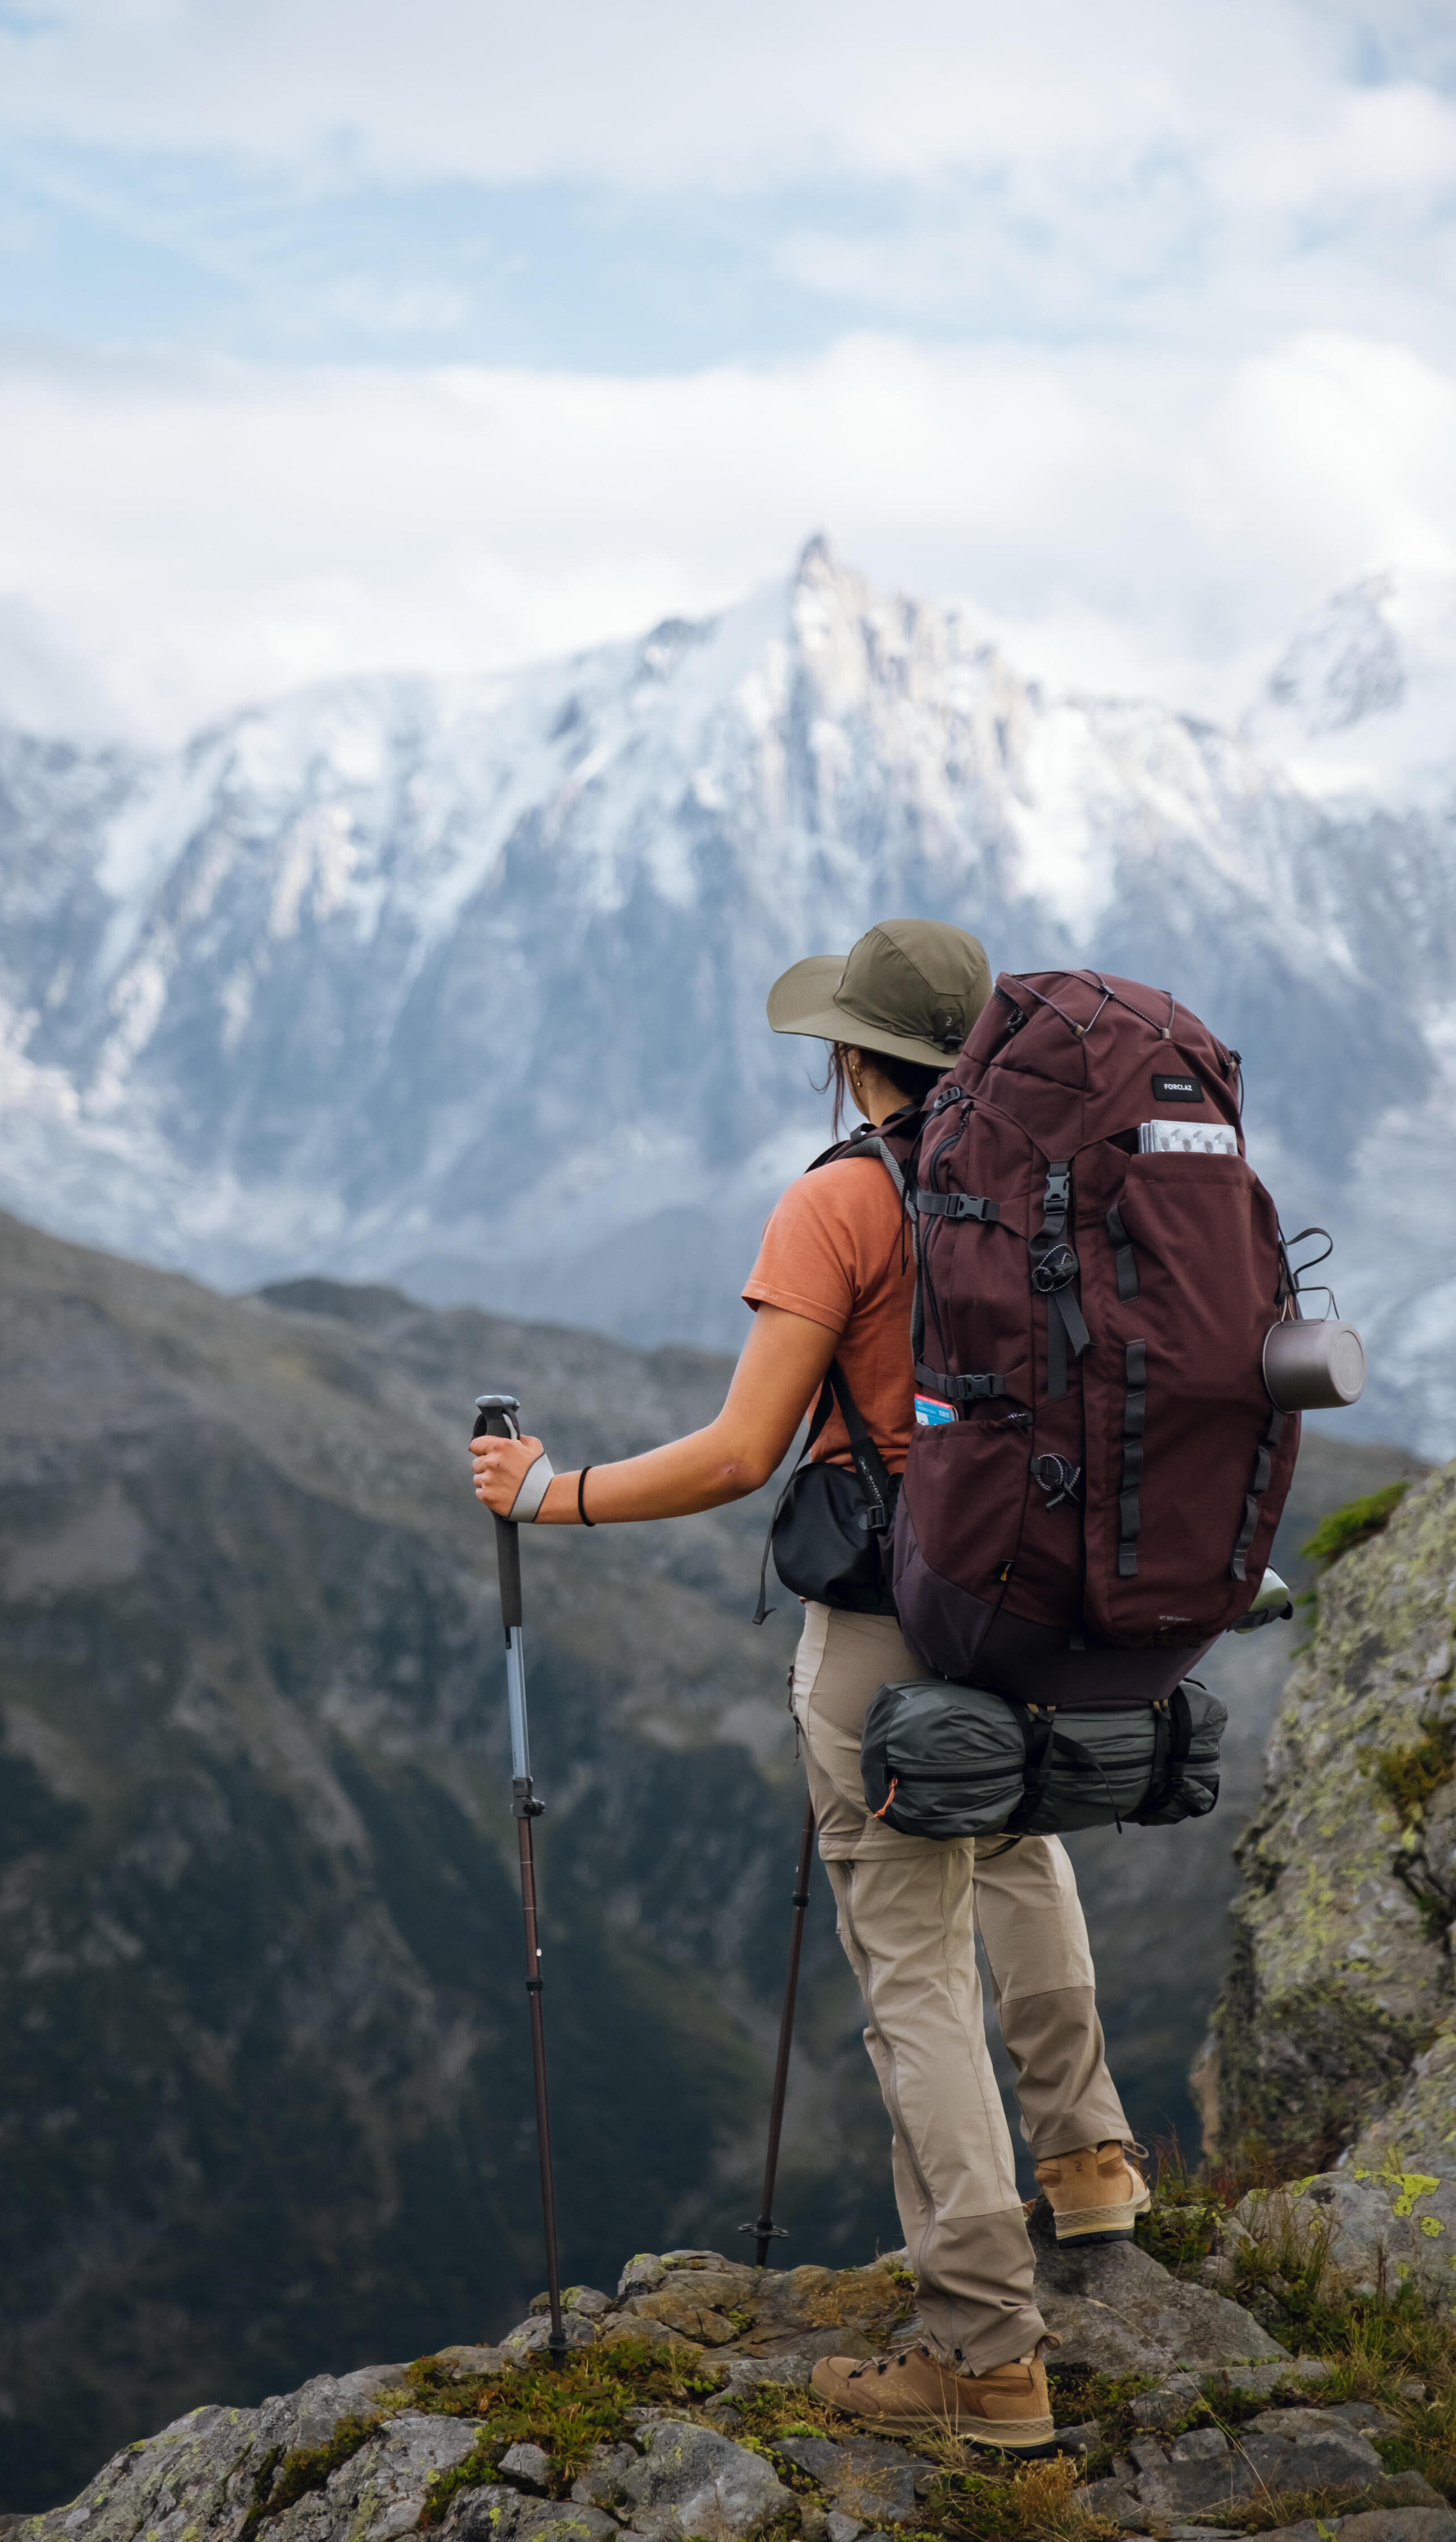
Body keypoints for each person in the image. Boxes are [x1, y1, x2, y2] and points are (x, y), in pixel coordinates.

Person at [470, 917, 1145, 2453]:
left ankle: (986, 2354)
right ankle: (1092, 2161)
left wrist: (544, 1492)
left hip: (893, 1612)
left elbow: (734, 1452)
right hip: (1041, 1592)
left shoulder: (838, 1200)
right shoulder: (1055, 1177)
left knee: (909, 1965)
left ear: (853, 1056)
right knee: (1018, 1837)